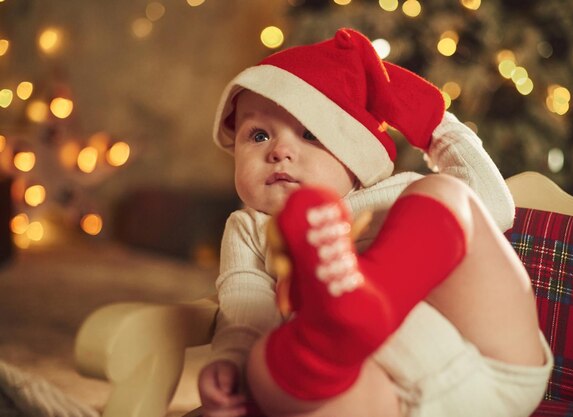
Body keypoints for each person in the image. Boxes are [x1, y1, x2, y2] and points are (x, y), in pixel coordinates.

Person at [198, 28, 553, 417]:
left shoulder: (397, 192)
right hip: (378, 396)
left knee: (445, 194)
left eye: (310, 132)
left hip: (493, 363)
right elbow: (244, 306)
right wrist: (231, 362)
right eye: (259, 135)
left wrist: (435, 123)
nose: (280, 151)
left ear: (355, 147)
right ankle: (327, 338)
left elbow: (494, 205)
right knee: (265, 367)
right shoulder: (249, 228)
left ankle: (365, 305)